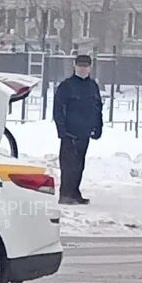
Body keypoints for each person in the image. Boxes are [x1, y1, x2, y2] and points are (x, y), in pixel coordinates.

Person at [52, 53, 103, 205]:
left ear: (90, 68)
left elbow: (97, 108)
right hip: (69, 133)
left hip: (85, 133)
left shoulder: (92, 86)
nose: (83, 69)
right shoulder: (66, 86)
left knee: (79, 165)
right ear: (74, 66)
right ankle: (66, 194)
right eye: (80, 66)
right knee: (69, 165)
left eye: (85, 66)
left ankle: (74, 192)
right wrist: (62, 130)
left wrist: (98, 127)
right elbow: (58, 109)